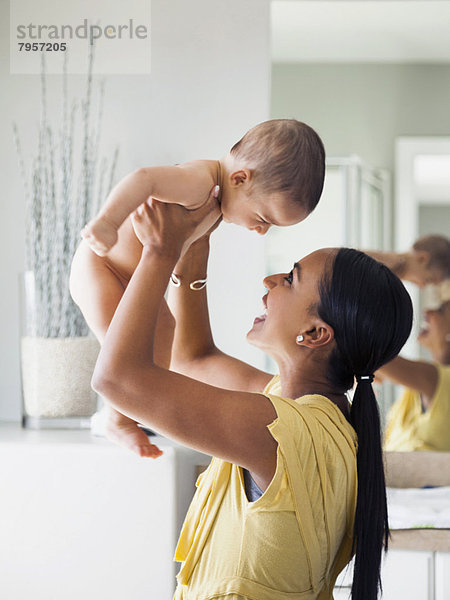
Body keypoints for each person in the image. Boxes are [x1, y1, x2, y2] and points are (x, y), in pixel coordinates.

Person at [91, 196, 413, 600]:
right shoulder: (314, 418)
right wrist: (193, 253)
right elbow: (194, 358)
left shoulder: (285, 432)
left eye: (291, 279)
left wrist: (160, 252)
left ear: (315, 334)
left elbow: (117, 378)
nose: (270, 280)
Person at [70, 119, 325, 456]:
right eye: (263, 218)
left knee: (162, 341)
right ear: (239, 178)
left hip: (132, 279)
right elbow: (144, 179)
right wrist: (107, 222)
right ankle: (118, 417)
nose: (261, 230)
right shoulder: (199, 184)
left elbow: (193, 354)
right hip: (101, 267)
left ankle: (119, 418)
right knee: (128, 357)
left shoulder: (216, 204)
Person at [382, 291, 450, 452]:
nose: (427, 312)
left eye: (441, 311)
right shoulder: (419, 384)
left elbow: (374, 354)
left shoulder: (437, 379)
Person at [366, 234, 450, 288]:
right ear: (422, 259)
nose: (422, 286)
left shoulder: (391, 277)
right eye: (428, 280)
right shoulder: (382, 265)